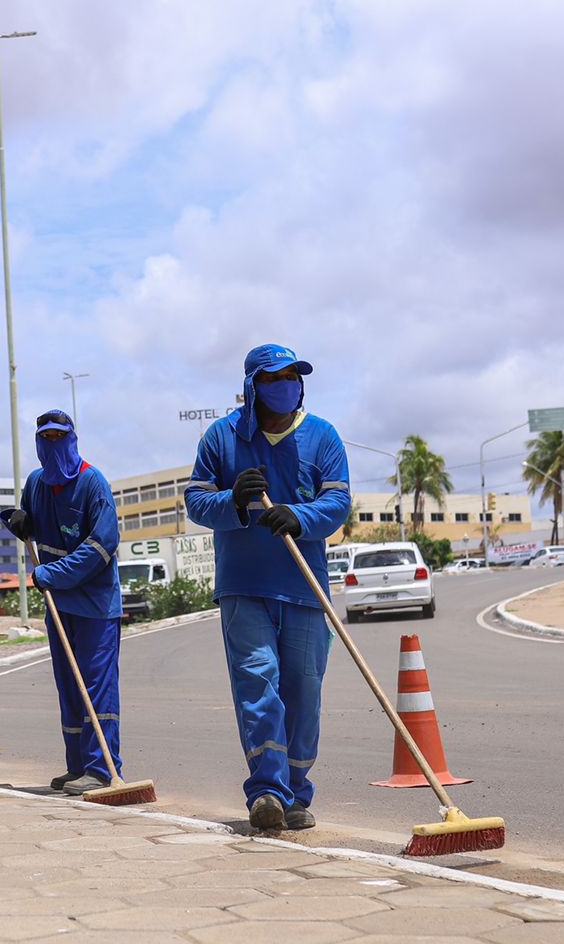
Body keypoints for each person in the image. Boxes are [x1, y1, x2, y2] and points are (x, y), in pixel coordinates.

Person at [183, 344, 351, 832]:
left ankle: (297, 793)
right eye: (275, 378)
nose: (286, 385)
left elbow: (337, 504)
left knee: (303, 692)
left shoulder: (322, 436)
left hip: (303, 588)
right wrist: (232, 501)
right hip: (244, 587)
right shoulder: (222, 436)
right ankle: (267, 792)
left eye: (293, 376)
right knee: (258, 684)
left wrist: (299, 517)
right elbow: (196, 501)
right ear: (254, 386)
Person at [2, 409, 123, 797]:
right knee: (69, 686)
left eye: (59, 437)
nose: (53, 444)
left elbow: (101, 546)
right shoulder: (36, 483)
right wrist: (21, 522)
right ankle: (77, 765)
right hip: (59, 606)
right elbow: (33, 536)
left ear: (73, 438)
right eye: (46, 438)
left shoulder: (93, 483)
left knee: (96, 686)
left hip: (96, 605)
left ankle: (103, 768)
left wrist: (50, 576)